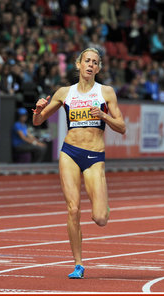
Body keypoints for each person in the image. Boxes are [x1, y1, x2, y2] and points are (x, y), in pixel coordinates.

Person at [32, 48, 126, 278]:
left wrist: (103, 116)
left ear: (99, 68)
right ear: (78, 64)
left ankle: (103, 205)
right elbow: (38, 121)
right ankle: (78, 264)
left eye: (95, 62)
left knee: (100, 218)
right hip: (70, 152)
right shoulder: (65, 93)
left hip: (94, 156)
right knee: (73, 209)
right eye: (87, 61)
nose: (90, 65)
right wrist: (38, 110)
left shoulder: (106, 92)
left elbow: (122, 127)